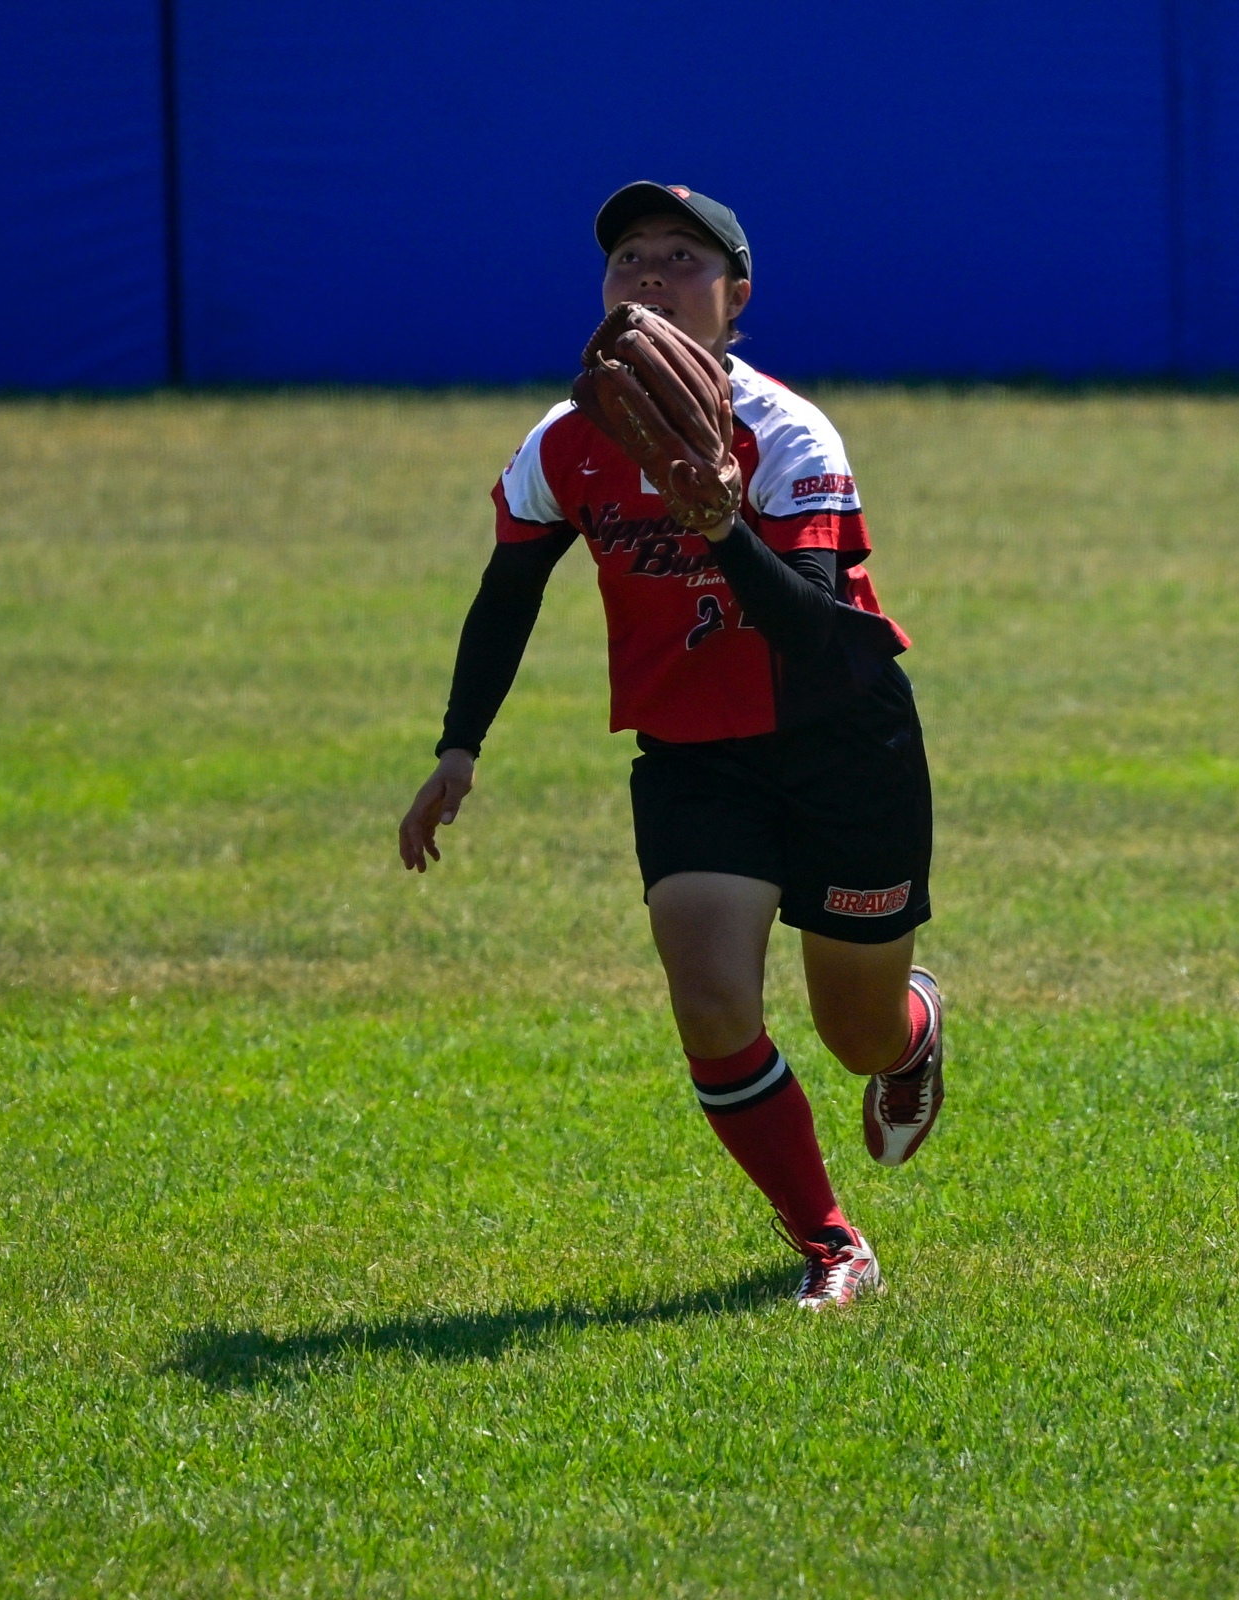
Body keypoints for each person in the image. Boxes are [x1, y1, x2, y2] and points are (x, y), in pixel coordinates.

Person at [397, 182, 945, 1310]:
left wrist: (719, 524)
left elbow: (810, 626)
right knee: (709, 1003)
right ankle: (832, 1244)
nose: (648, 271)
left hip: (845, 744)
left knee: (854, 1032)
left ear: (736, 297)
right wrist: (459, 746)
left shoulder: (785, 431)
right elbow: (508, 590)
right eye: (628, 256)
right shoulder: (567, 439)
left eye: (682, 257)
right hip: (695, 755)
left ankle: (911, 1036)